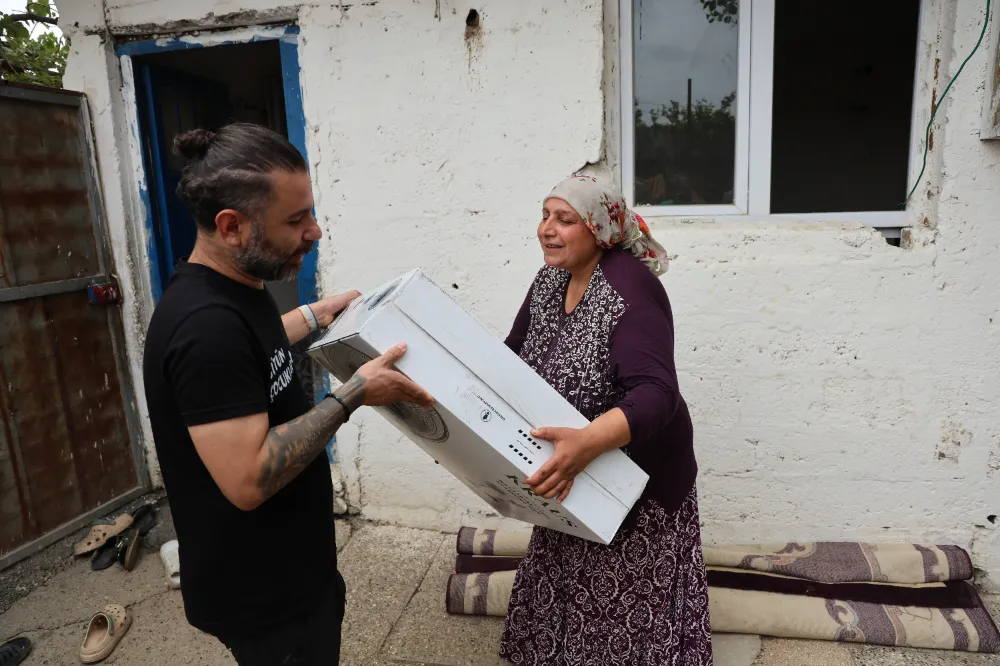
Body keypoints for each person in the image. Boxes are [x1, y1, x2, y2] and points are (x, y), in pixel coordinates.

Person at [142, 123, 433, 666]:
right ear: (232, 226)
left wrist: (315, 316)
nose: (314, 231)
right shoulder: (205, 328)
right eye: (296, 220)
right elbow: (249, 480)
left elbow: (253, 350)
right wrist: (354, 394)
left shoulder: (235, 285)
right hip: (262, 596)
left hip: (293, 567)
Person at [499, 174, 713, 665]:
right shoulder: (551, 279)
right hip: (576, 466)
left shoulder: (629, 288)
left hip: (635, 477)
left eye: (564, 219)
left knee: (620, 605)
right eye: (545, 215)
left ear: (598, 229)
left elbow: (658, 393)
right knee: (567, 573)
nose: (547, 229)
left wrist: (588, 442)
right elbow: (514, 354)